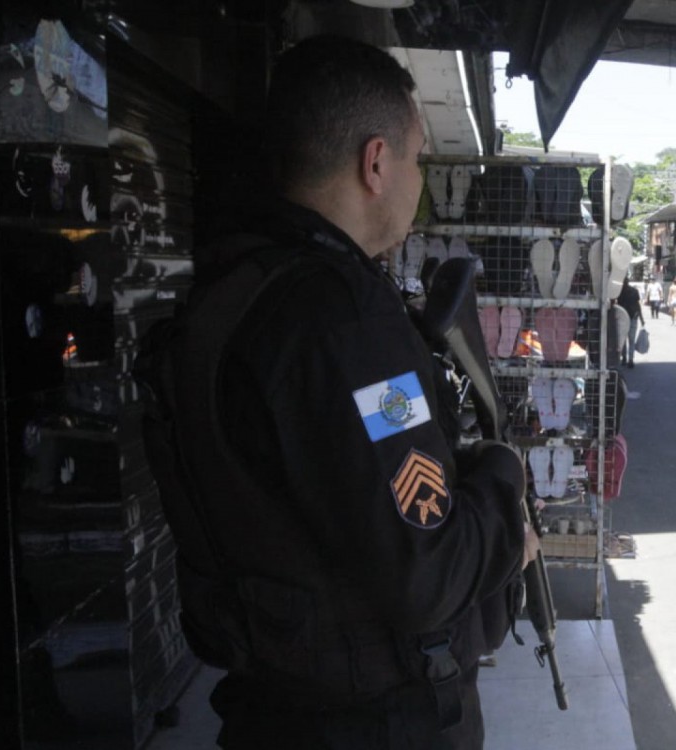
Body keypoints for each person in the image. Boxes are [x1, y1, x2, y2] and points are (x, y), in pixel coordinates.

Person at [153, 37, 537, 749]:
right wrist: (504, 493)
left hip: (272, 706)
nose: (418, 181)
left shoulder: (230, 288)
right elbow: (428, 572)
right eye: (417, 159)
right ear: (376, 162)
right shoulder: (346, 322)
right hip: (373, 723)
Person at [617, 276, 645, 368]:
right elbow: (637, 305)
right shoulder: (633, 291)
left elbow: (637, 305)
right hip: (632, 317)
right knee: (630, 340)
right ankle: (630, 359)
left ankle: (626, 358)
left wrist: (641, 318)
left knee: (624, 339)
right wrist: (641, 318)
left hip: (624, 318)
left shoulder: (619, 292)